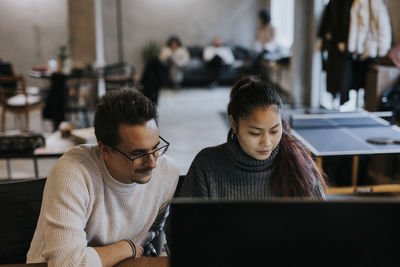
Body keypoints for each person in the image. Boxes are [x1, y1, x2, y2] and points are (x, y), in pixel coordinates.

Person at [27, 89, 179, 266]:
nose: (152, 163)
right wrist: (127, 247)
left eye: (155, 148)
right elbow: (67, 263)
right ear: (105, 150)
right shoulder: (74, 172)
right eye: (137, 154)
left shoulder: (167, 172)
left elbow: (153, 232)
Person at [179, 76, 326, 199]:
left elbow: (323, 225)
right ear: (234, 123)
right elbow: (180, 227)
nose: (267, 143)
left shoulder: (298, 167)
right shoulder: (207, 165)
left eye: (274, 131)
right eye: (255, 133)